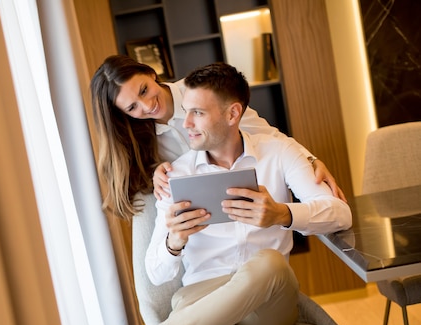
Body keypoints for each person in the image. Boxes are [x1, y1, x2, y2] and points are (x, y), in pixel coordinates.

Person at [84, 62, 352, 325]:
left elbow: (341, 214)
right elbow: (156, 273)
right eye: (132, 108)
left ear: (232, 113)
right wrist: (174, 241)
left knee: (268, 263)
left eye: (196, 113)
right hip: (203, 296)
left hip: (266, 306)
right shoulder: (173, 176)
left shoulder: (277, 152)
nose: (186, 122)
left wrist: (282, 214)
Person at [90, 55, 346, 221]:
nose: (146, 106)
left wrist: (309, 159)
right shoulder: (139, 137)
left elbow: (268, 134)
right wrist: (154, 173)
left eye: (144, 90)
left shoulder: (200, 93)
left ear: (150, 72)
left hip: (254, 200)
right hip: (208, 222)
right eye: (132, 108)